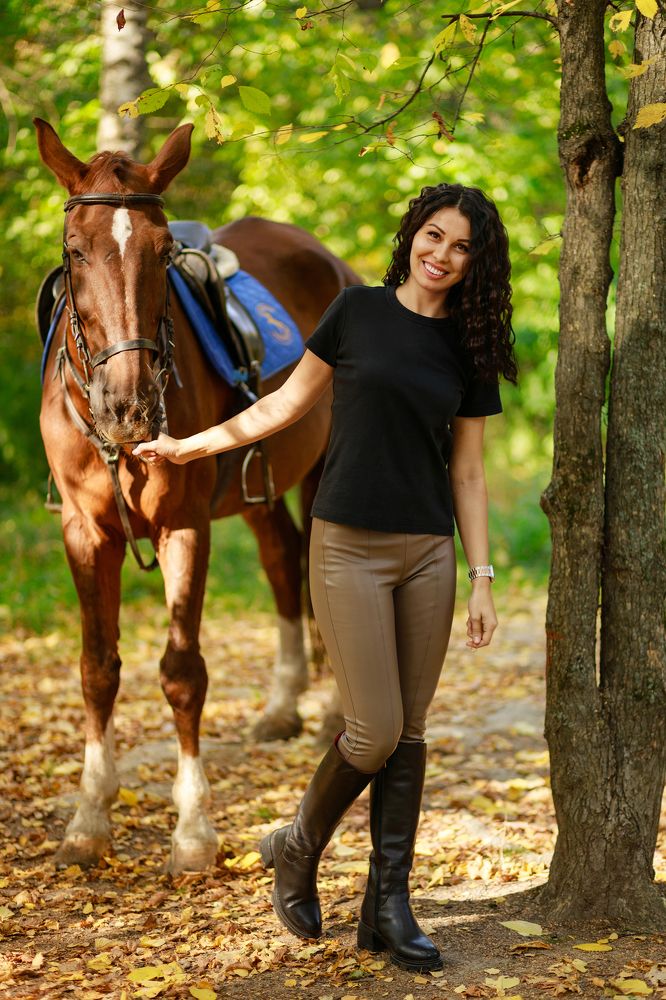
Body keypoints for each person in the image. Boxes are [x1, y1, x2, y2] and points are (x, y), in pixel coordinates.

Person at [133, 182, 518, 972]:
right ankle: (298, 847)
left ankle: (389, 906)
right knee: (372, 729)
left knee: (408, 733)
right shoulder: (356, 313)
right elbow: (282, 409)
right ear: (413, 234)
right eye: (434, 237)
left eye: (461, 248)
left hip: (428, 554)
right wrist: (190, 448)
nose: (442, 256)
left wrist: (481, 575)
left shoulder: (470, 345)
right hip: (346, 546)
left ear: (478, 264)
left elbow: (470, 473)